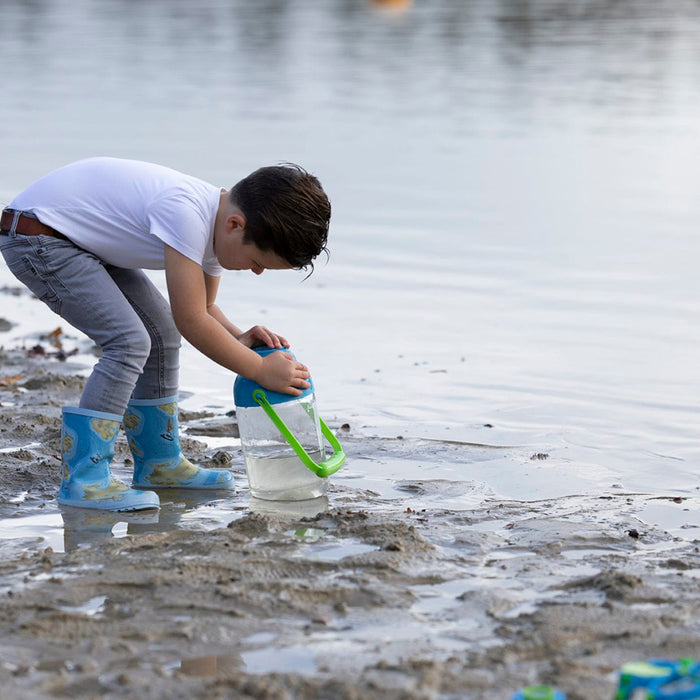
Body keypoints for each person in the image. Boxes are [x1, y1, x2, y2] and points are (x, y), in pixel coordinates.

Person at [0, 157, 331, 512]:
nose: (257, 272)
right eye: (257, 263)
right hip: (37, 235)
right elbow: (192, 321)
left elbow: (201, 310)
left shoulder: (221, 226)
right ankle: (84, 481)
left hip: (79, 242)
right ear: (237, 225)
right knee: (129, 342)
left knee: (161, 334)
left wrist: (237, 338)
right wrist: (259, 370)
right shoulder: (187, 215)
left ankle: (159, 464)